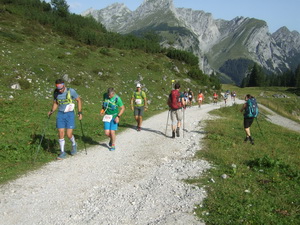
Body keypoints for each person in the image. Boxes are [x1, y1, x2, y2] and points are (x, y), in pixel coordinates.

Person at [48, 79, 82, 159]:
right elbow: (56, 103)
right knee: (60, 132)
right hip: (60, 114)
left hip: (70, 114)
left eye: (61, 88)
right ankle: (62, 152)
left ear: (64, 85)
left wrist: (80, 112)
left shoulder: (71, 91)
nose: (60, 90)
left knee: (69, 134)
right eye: (58, 88)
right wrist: (52, 110)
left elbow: (78, 100)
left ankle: (74, 144)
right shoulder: (56, 92)